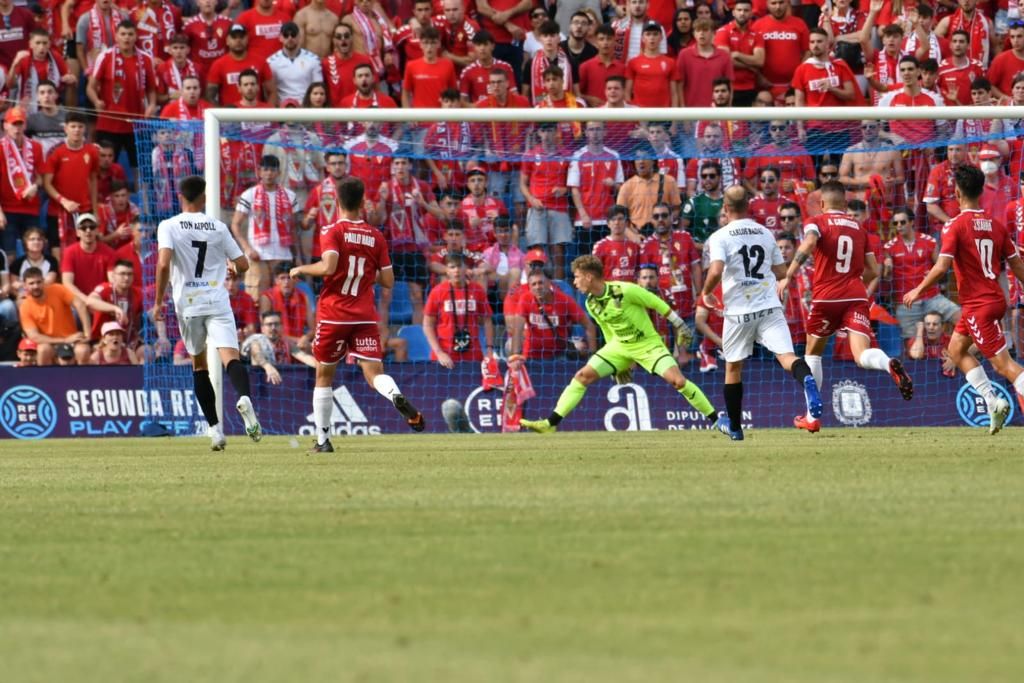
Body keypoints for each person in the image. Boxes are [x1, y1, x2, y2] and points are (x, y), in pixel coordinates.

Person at [288, 176, 424, 453]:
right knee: (374, 374)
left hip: (333, 314)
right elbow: (387, 281)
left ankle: (323, 442)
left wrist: (300, 270)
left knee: (324, 376)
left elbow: (328, 266)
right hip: (363, 316)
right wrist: (363, 274)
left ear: (337, 201)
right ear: (363, 203)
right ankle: (394, 394)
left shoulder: (332, 230)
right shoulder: (376, 236)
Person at [520, 254, 714, 434]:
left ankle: (717, 419)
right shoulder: (591, 303)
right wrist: (617, 364)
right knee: (582, 376)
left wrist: (679, 324)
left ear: (589, 277)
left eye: (577, 277)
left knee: (678, 381)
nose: (575, 281)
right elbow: (608, 331)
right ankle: (550, 424)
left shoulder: (624, 289)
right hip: (619, 346)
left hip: (648, 345)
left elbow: (655, 302)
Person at [778, 181, 914, 434]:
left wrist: (789, 275)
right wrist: (852, 280)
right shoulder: (860, 229)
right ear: (844, 202)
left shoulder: (816, 222)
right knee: (862, 355)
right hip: (855, 296)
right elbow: (874, 270)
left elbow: (808, 245)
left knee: (813, 353)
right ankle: (887, 364)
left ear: (821, 203)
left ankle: (812, 417)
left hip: (826, 297)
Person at [904, 165, 1024, 434]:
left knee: (1003, 365)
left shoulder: (954, 226)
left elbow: (941, 267)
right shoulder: (996, 225)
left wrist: (918, 290)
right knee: (956, 351)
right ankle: (993, 402)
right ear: (981, 191)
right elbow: (1017, 266)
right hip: (993, 300)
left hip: (978, 305)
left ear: (957, 192)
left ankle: (999, 399)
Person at [701, 186, 823, 441]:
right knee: (788, 357)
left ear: (725, 208)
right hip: (769, 307)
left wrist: (707, 292)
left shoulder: (720, 236)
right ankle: (808, 382)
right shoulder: (766, 233)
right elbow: (781, 272)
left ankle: (735, 428)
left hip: (738, 312)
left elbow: (715, 270)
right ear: (749, 206)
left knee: (733, 368)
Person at [152, 175, 263, 450]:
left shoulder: (168, 226)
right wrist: (233, 269)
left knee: (199, 366)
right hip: (217, 301)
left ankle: (215, 431)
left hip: (188, 304)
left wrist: (158, 301)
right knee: (231, 358)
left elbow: (164, 264)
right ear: (204, 197)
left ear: (181, 197)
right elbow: (243, 264)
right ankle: (245, 398)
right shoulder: (218, 226)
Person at [883, 206, 960, 341]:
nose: (899, 226)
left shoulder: (929, 241)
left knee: (960, 317)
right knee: (913, 348)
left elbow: (942, 269)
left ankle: (959, 351)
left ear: (912, 222)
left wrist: (933, 275)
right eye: (896, 223)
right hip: (906, 302)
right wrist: (887, 270)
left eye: (903, 222)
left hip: (932, 297)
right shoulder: (889, 247)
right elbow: (887, 280)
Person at [231, 155, 299, 297]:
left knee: (281, 298)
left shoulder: (290, 195)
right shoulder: (249, 194)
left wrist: (297, 256)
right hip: (257, 255)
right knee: (256, 297)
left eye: (273, 170)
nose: (269, 173)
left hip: (282, 256)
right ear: (259, 172)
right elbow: (235, 224)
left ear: (279, 172)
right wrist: (247, 249)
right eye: (265, 169)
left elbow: (293, 229)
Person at [423, 252, 494, 366]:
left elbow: (487, 320)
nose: (456, 270)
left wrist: (489, 349)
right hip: (444, 356)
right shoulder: (437, 291)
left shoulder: (477, 290)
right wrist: (439, 352)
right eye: (452, 267)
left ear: (466, 268)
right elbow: (427, 324)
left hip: (473, 355)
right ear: (446, 270)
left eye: (459, 266)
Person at [510, 266, 596, 360]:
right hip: (531, 355)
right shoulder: (525, 299)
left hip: (559, 356)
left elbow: (589, 325)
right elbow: (517, 329)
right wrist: (516, 356)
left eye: (540, 283)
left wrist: (592, 356)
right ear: (529, 287)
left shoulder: (564, 300)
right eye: (533, 284)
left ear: (549, 283)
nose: (537, 287)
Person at [18, 266, 92, 365]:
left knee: (83, 350)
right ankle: (44, 380)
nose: (36, 286)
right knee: (43, 350)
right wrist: (64, 340)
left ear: (43, 281)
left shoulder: (57, 289)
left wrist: (87, 333)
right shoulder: (25, 306)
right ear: (25, 286)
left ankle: (83, 380)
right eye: (31, 283)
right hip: (49, 343)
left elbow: (80, 305)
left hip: (72, 339)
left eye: (38, 282)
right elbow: (34, 336)